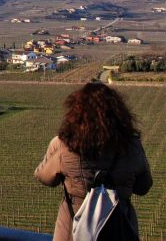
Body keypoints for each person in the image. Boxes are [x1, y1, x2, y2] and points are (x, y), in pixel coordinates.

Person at [35, 82, 152, 241]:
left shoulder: (65, 145)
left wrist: (54, 148)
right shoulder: (132, 146)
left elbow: (45, 178)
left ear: (76, 113)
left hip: (73, 230)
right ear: (118, 113)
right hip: (120, 228)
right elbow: (143, 187)